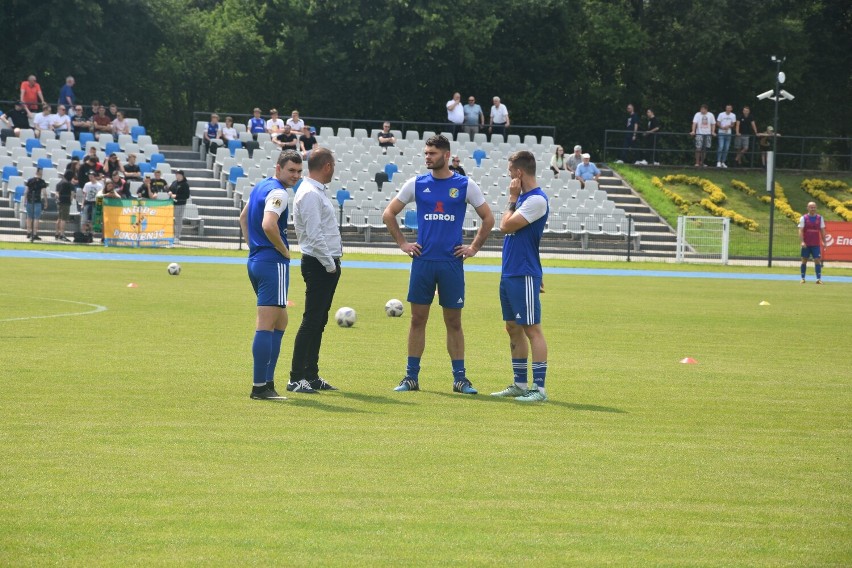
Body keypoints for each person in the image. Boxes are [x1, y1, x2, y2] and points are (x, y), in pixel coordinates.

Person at [382, 134, 495, 395]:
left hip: (451, 263)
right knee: (417, 319)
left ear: (446, 155)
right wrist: (403, 243)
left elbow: (488, 218)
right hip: (423, 262)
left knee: (453, 322)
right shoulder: (417, 184)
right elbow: (389, 213)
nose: (427, 157)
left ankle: (460, 379)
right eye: (426, 153)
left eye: (432, 153)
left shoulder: (465, 185)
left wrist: (474, 247)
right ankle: (411, 377)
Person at [239, 150, 304, 400]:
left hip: (256, 261)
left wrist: (253, 247)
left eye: (299, 171)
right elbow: (268, 224)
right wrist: (283, 250)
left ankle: (267, 380)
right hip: (272, 262)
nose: (296, 176)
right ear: (279, 169)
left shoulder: (261, 186)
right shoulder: (278, 193)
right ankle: (260, 387)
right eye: (291, 171)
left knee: (281, 320)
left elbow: (243, 217)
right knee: (266, 324)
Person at [491, 150, 550, 402]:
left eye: (509, 172)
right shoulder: (527, 200)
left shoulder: (535, 200)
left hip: (523, 272)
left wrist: (512, 199)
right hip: (511, 272)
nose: (508, 177)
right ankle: (519, 383)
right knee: (512, 327)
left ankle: (539, 389)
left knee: (532, 328)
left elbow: (504, 225)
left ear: (518, 172)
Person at [288, 147, 343, 394]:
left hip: (323, 262)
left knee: (318, 321)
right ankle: (296, 377)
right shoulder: (310, 193)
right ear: (328, 166)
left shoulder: (313, 191)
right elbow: (314, 234)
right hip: (319, 263)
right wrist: (330, 264)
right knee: (312, 321)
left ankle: (311, 375)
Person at [798, 201, 828, 284]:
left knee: (817, 260)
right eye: (811, 207)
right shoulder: (803, 218)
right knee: (804, 260)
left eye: (814, 207)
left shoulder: (820, 218)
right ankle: (802, 278)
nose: (813, 209)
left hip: (816, 244)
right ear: (808, 208)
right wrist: (802, 241)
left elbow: (822, 230)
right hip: (806, 244)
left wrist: (824, 241)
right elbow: (800, 230)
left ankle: (818, 279)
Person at [24, 168, 49, 240]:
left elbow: (26, 191)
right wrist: (46, 202)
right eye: (41, 172)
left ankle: (28, 233)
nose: (42, 173)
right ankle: (34, 233)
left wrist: (25, 200)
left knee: (29, 217)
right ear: (39, 172)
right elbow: (44, 193)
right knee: (36, 218)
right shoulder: (42, 182)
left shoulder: (30, 180)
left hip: (30, 200)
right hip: (37, 201)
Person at [168, 170, 191, 243]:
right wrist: (169, 192)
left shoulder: (185, 184)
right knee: (171, 220)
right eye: (176, 174)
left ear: (182, 175)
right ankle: (170, 235)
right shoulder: (174, 182)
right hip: (172, 203)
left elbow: (186, 196)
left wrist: (176, 196)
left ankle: (177, 236)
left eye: (178, 174)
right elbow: (169, 189)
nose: (177, 176)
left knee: (178, 220)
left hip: (180, 204)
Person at [55, 171, 75, 241]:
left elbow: (56, 193)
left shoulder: (59, 183)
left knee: (59, 218)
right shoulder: (69, 184)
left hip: (60, 202)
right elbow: (72, 194)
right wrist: (70, 200)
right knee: (64, 219)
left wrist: (59, 199)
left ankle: (57, 233)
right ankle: (62, 234)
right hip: (66, 203)